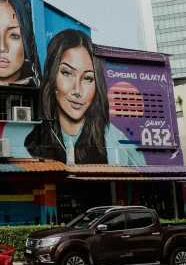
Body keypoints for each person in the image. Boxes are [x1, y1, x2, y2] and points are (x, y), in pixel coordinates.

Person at [24, 29, 145, 165]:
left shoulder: (118, 144)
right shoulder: (29, 142)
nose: (77, 90)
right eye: (67, 73)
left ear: (97, 85)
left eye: (87, 78)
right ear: (52, 77)